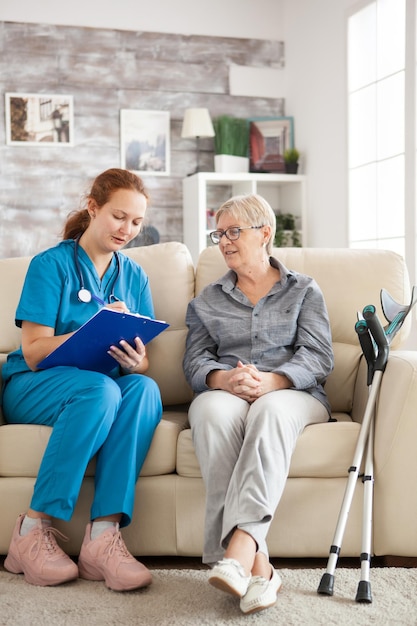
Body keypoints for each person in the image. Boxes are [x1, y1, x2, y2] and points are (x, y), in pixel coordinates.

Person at [1, 168, 163, 591]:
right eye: (119, 216)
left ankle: (103, 537)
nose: (127, 229)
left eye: (136, 222)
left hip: (103, 387)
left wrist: (136, 362)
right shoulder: (50, 265)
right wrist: (91, 330)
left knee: (144, 389)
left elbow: (143, 364)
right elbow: (34, 351)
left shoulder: (134, 275)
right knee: (100, 388)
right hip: (34, 386)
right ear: (93, 208)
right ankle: (31, 531)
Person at [183, 194, 334, 615]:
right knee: (210, 413)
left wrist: (273, 380)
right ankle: (260, 569)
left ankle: (237, 551)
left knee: (269, 410)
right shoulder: (207, 300)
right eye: (219, 234)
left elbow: (320, 356)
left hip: (293, 393)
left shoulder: (303, 289)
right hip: (227, 392)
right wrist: (223, 379)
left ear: (264, 233)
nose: (224, 241)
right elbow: (194, 360)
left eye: (234, 231)